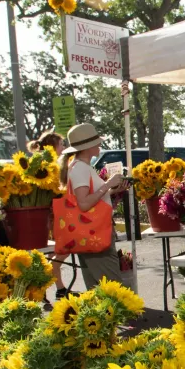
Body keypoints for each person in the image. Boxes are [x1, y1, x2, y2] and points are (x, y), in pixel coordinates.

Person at [58, 123, 131, 290]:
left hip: (88, 234)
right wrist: (107, 185)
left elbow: (86, 199)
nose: (100, 145)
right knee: (112, 291)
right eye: (97, 142)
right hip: (96, 235)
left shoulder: (78, 167)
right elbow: (84, 203)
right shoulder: (81, 169)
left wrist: (111, 190)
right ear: (87, 147)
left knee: (96, 290)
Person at [29, 131, 70, 300]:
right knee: (62, 248)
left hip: (52, 213)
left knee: (56, 251)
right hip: (52, 214)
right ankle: (47, 282)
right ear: (52, 146)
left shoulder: (52, 163)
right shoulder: (47, 165)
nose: (63, 148)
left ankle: (54, 287)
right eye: (61, 144)